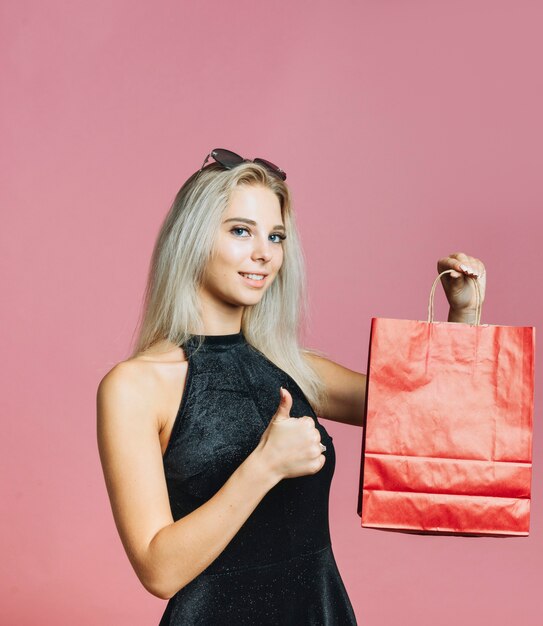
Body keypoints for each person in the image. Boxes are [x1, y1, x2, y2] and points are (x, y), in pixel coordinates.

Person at [96, 148, 487, 625]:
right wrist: (265, 465)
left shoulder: (291, 367)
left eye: (276, 235)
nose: (264, 252)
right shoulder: (134, 386)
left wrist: (463, 314)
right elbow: (158, 571)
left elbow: (430, 411)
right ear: (192, 240)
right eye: (241, 230)